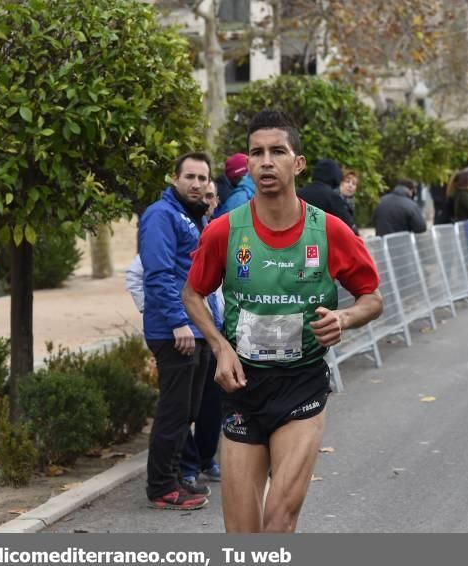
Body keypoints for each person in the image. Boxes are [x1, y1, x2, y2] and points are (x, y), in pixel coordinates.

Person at [182, 110, 382, 532]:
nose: (266, 161)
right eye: (257, 153)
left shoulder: (329, 231)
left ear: (298, 163)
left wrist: (344, 317)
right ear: (247, 163)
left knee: (278, 520)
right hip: (242, 386)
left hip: (300, 385)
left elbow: (372, 298)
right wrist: (219, 347)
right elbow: (192, 293)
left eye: (278, 151)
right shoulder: (224, 231)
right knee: (241, 534)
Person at [139, 152, 222, 511]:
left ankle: (173, 480)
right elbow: (158, 275)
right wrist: (178, 322)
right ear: (174, 179)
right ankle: (161, 487)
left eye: (203, 178)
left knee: (187, 411)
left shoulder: (192, 217)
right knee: (174, 413)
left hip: (196, 329)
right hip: (175, 331)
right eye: (190, 176)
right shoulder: (161, 215)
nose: (197, 184)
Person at [179, 181, 223, 487]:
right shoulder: (183, 228)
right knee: (186, 407)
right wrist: (174, 320)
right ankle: (188, 467)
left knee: (212, 405)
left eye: (211, 196)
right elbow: (139, 275)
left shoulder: (220, 231)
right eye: (202, 196)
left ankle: (206, 459)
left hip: (216, 332)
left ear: (217, 200)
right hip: (187, 332)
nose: (206, 200)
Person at [297, 158, 359, 234]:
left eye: (354, 183)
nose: (350, 185)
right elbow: (348, 226)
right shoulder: (332, 197)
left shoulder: (299, 193)